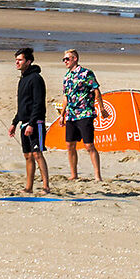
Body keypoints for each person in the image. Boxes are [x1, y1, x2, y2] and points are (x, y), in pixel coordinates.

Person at [58, 48, 102, 182]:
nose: (65, 61)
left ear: (75, 59)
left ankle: (97, 175)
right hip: (71, 115)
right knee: (70, 145)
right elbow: (66, 97)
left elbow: (96, 90)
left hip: (85, 113)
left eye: (67, 59)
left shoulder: (86, 73)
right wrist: (62, 114)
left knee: (89, 145)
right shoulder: (67, 76)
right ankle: (74, 174)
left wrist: (102, 106)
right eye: (64, 59)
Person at [10, 47, 50, 194]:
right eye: (16, 60)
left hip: (36, 123)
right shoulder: (22, 79)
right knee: (27, 156)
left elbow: (38, 104)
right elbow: (22, 105)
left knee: (37, 154)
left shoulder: (36, 79)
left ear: (28, 61)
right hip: (24, 123)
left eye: (20, 60)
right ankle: (29, 187)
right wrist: (15, 123)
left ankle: (46, 186)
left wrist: (32, 124)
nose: (17, 62)